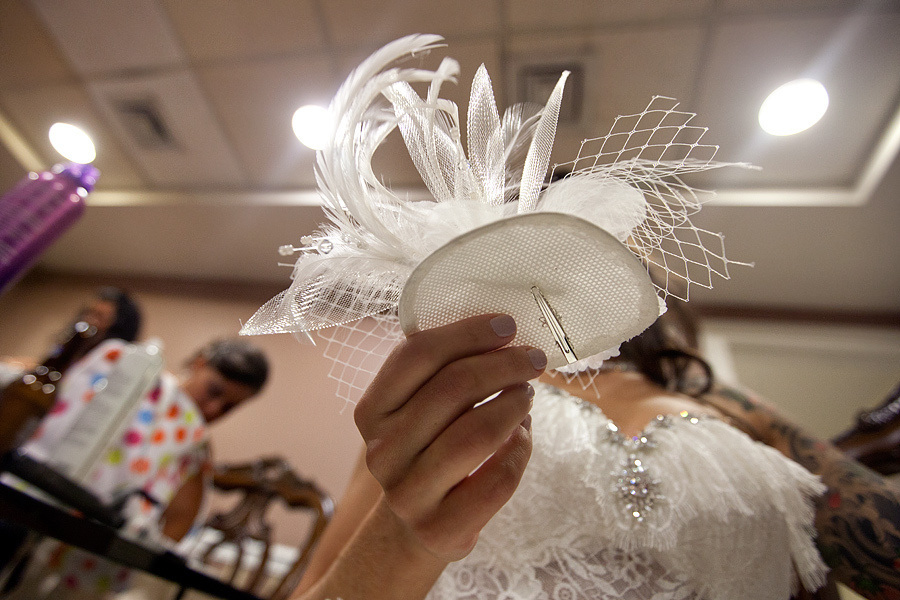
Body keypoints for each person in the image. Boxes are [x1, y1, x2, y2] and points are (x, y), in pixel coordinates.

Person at [3, 337, 269, 599]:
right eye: (214, 391)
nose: (214, 409)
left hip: (82, 553)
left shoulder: (195, 444)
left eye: (229, 407)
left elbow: (179, 520)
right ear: (200, 363)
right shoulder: (131, 375)